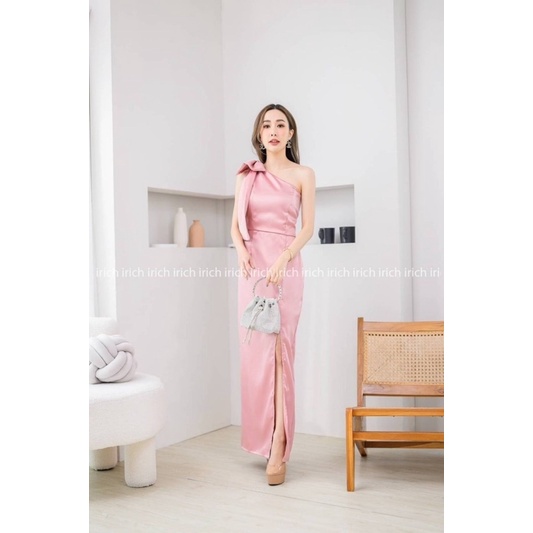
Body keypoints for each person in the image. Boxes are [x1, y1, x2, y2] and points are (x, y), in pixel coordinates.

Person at [230, 103, 316, 485]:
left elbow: (308, 227)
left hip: (285, 266)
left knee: (281, 355)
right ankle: (264, 439)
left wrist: (284, 257)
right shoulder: (246, 175)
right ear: (259, 134)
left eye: (281, 125)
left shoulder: (303, 174)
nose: (274, 131)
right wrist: (241, 251)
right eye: (267, 125)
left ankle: (279, 445)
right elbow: (235, 226)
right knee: (256, 357)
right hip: (252, 270)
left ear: (290, 133)